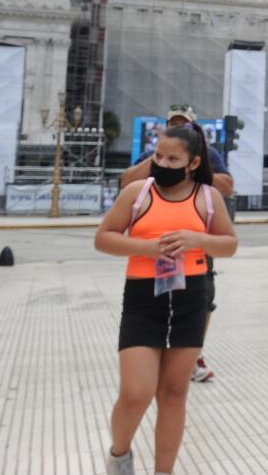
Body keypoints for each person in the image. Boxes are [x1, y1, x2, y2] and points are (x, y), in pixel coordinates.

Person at [95, 122, 238, 475]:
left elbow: (230, 243)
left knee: (174, 393)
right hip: (144, 299)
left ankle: (164, 471)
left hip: (190, 297)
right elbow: (103, 238)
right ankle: (119, 456)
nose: (162, 163)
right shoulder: (137, 194)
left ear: (192, 163)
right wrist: (145, 247)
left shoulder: (208, 197)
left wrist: (196, 239)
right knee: (136, 391)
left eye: (173, 158)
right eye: (159, 155)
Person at [121, 105, 233, 384]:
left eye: (184, 125)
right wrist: (161, 161)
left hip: (196, 242)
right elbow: (126, 181)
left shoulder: (208, 155)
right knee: (153, 300)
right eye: (174, 124)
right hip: (155, 246)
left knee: (203, 299)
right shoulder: (154, 155)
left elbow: (227, 186)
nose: (179, 128)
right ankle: (153, 352)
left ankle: (194, 354)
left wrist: (195, 165)